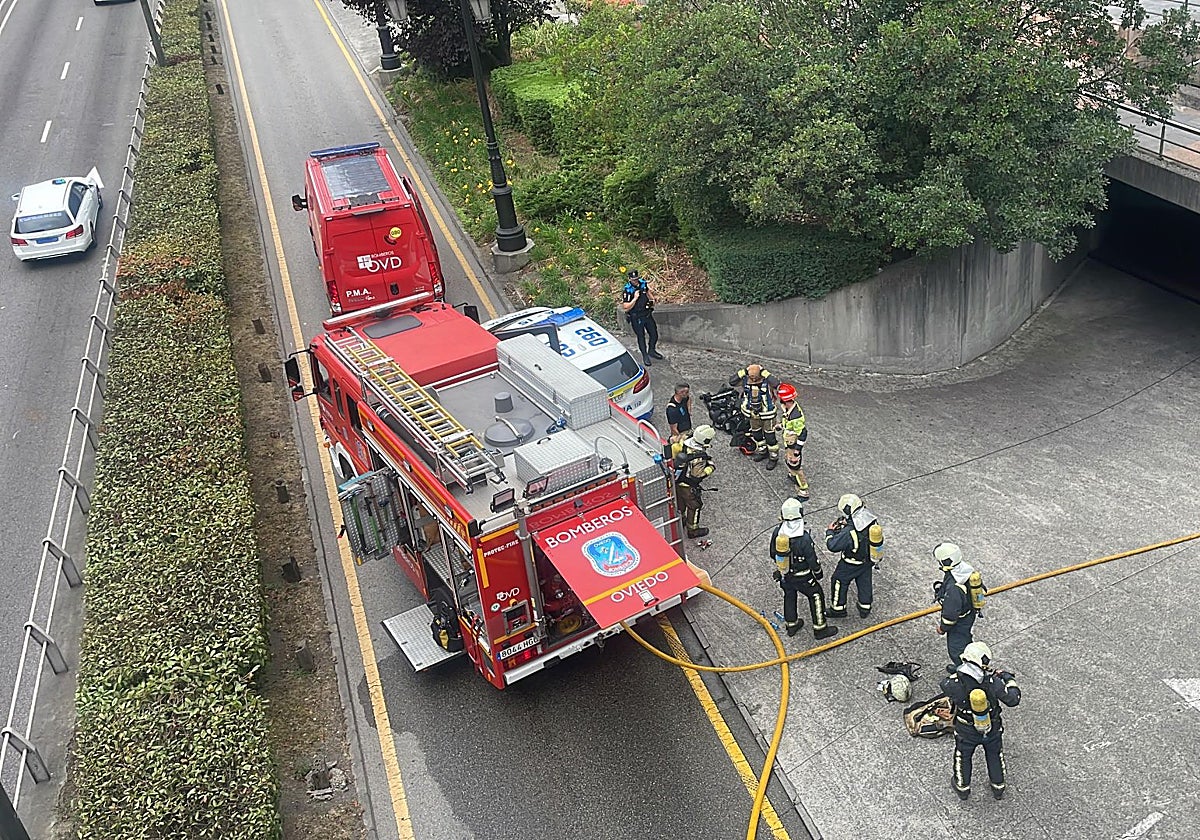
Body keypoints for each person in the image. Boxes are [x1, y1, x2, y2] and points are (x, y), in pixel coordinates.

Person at [940, 641, 1021, 801]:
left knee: (963, 756)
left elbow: (945, 684)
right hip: (992, 727)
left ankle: (962, 787)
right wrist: (1009, 679)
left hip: (965, 729)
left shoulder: (952, 684)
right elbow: (1013, 699)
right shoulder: (993, 684)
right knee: (994, 754)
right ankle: (998, 786)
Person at [770, 498, 838, 640]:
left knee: (789, 595)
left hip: (786, 574)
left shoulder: (778, 532)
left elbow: (772, 553)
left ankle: (792, 625)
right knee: (816, 595)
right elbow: (811, 559)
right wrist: (818, 573)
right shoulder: (804, 538)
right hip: (804, 576)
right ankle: (820, 629)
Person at [825, 493, 883, 619]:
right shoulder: (871, 519)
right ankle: (865, 607)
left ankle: (838, 609)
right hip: (868, 561)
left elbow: (832, 546)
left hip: (851, 562)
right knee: (864, 582)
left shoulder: (849, 532)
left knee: (838, 580)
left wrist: (830, 532)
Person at [932, 542, 980, 673]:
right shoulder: (964, 569)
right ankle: (966, 667)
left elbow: (950, 614)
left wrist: (942, 628)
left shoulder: (954, 587)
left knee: (956, 649)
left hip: (960, 621)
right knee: (965, 640)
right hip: (968, 614)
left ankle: (966, 673)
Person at [728, 364, 780, 469]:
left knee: (770, 437)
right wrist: (744, 371)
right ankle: (763, 451)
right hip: (753, 414)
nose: (754, 379)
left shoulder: (766, 382)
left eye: (755, 377)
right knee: (757, 434)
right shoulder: (745, 381)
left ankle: (773, 457)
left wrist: (764, 372)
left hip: (767, 414)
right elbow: (732, 382)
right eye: (751, 378)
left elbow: (777, 384)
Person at [673, 424, 716, 538]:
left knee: (680, 503)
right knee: (695, 506)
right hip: (688, 486)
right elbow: (697, 476)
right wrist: (710, 467)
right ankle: (692, 531)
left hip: (677, 481)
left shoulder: (684, 441)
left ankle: (681, 520)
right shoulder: (699, 457)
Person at [621, 269, 664, 367]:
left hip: (647, 314)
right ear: (629, 279)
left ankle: (652, 350)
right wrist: (635, 298)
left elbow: (649, 294)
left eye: (637, 279)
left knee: (654, 334)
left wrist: (652, 300)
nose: (636, 281)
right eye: (633, 280)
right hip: (636, 316)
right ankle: (645, 355)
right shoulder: (628, 290)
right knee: (641, 337)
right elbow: (626, 307)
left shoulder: (643, 284)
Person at [775, 383, 810, 500]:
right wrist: (781, 426)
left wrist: (797, 452)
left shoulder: (796, 416)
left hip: (793, 446)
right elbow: (788, 425)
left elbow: (803, 433)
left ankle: (803, 490)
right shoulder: (789, 410)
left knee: (796, 467)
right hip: (789, 445)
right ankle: (792, 474)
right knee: (789, 461)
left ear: (785, 401)